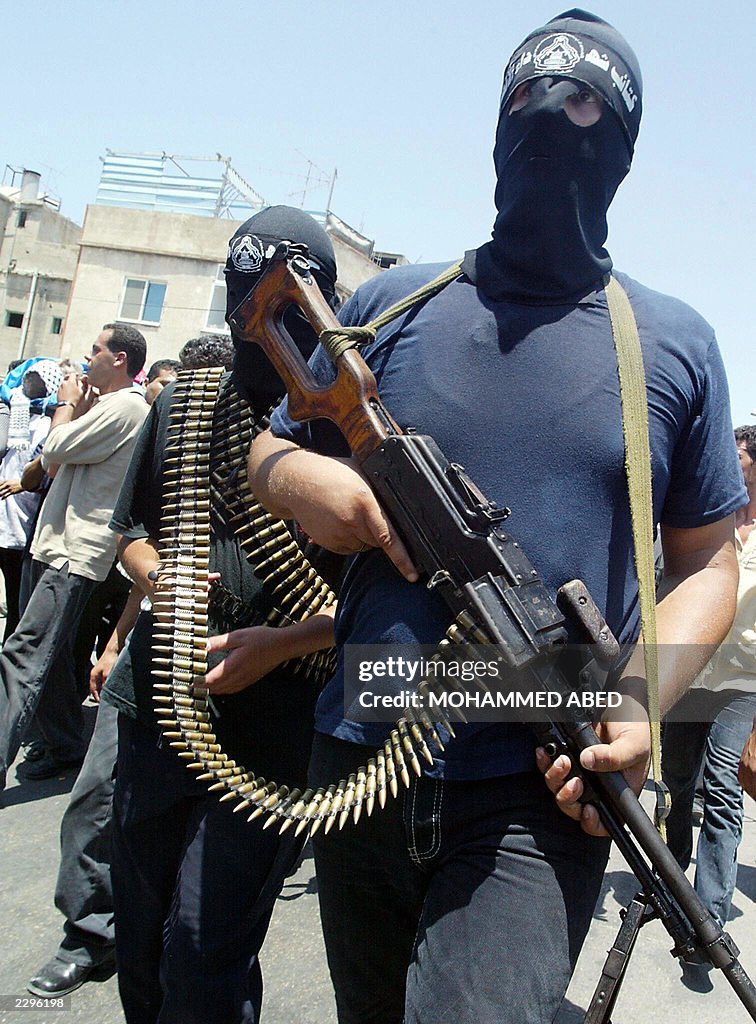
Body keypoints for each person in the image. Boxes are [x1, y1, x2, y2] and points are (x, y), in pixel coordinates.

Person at [248, 11, 744, 1023]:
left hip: (538, 787)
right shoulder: (393, 305)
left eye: (584, 107)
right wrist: (315, 487)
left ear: (626, 148)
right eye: (528, 100)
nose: (551, 125)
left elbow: (710, 562)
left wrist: (643, 695)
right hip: (362, 756)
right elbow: (266, 448)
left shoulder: (674, 344)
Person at [104, 206, 343, 1024]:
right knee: (138, 941)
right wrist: (158, 576)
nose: (251, 324)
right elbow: (130, 531)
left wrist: (284, 645)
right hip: (161, 705)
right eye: (242, 300)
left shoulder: (350, 424)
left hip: (273, 729)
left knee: (204, 953)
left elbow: (381, 601)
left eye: (271, 304)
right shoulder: (188, 403)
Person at [26, 344, 230, 1000]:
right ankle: (90, 930)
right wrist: (116, 644)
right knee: (94, 797)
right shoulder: (171, 445)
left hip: (234, 666)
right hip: (152, 653)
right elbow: (145, 552)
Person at [0, 323, 148, 787]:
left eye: (96, 350)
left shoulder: (127, 406)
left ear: (120, 359)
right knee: (54, 657)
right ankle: (62, 743)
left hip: (74, 551)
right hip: (55, 543)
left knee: (24, 655)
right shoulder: (103, 407)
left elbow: (56, 446)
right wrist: (76, 412)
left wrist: (66, 407)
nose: (88, 359)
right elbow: (47, 465)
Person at [663, 426, 756, 946]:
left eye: (738, 456)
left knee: (721, 791)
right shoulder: (706, 522)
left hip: (745, 682)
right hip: (692, 672)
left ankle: (708, 919)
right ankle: (672, 874)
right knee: (678, 779)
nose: (728, 462)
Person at [0, 360, 65, 639]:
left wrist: (24, 484)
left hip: (25, 519)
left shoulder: (54, 422)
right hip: (4, 510)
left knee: (17, 602)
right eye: (29, 378)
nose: (31, 385)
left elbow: (48, 469)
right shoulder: (14, 411)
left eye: (40, 380)